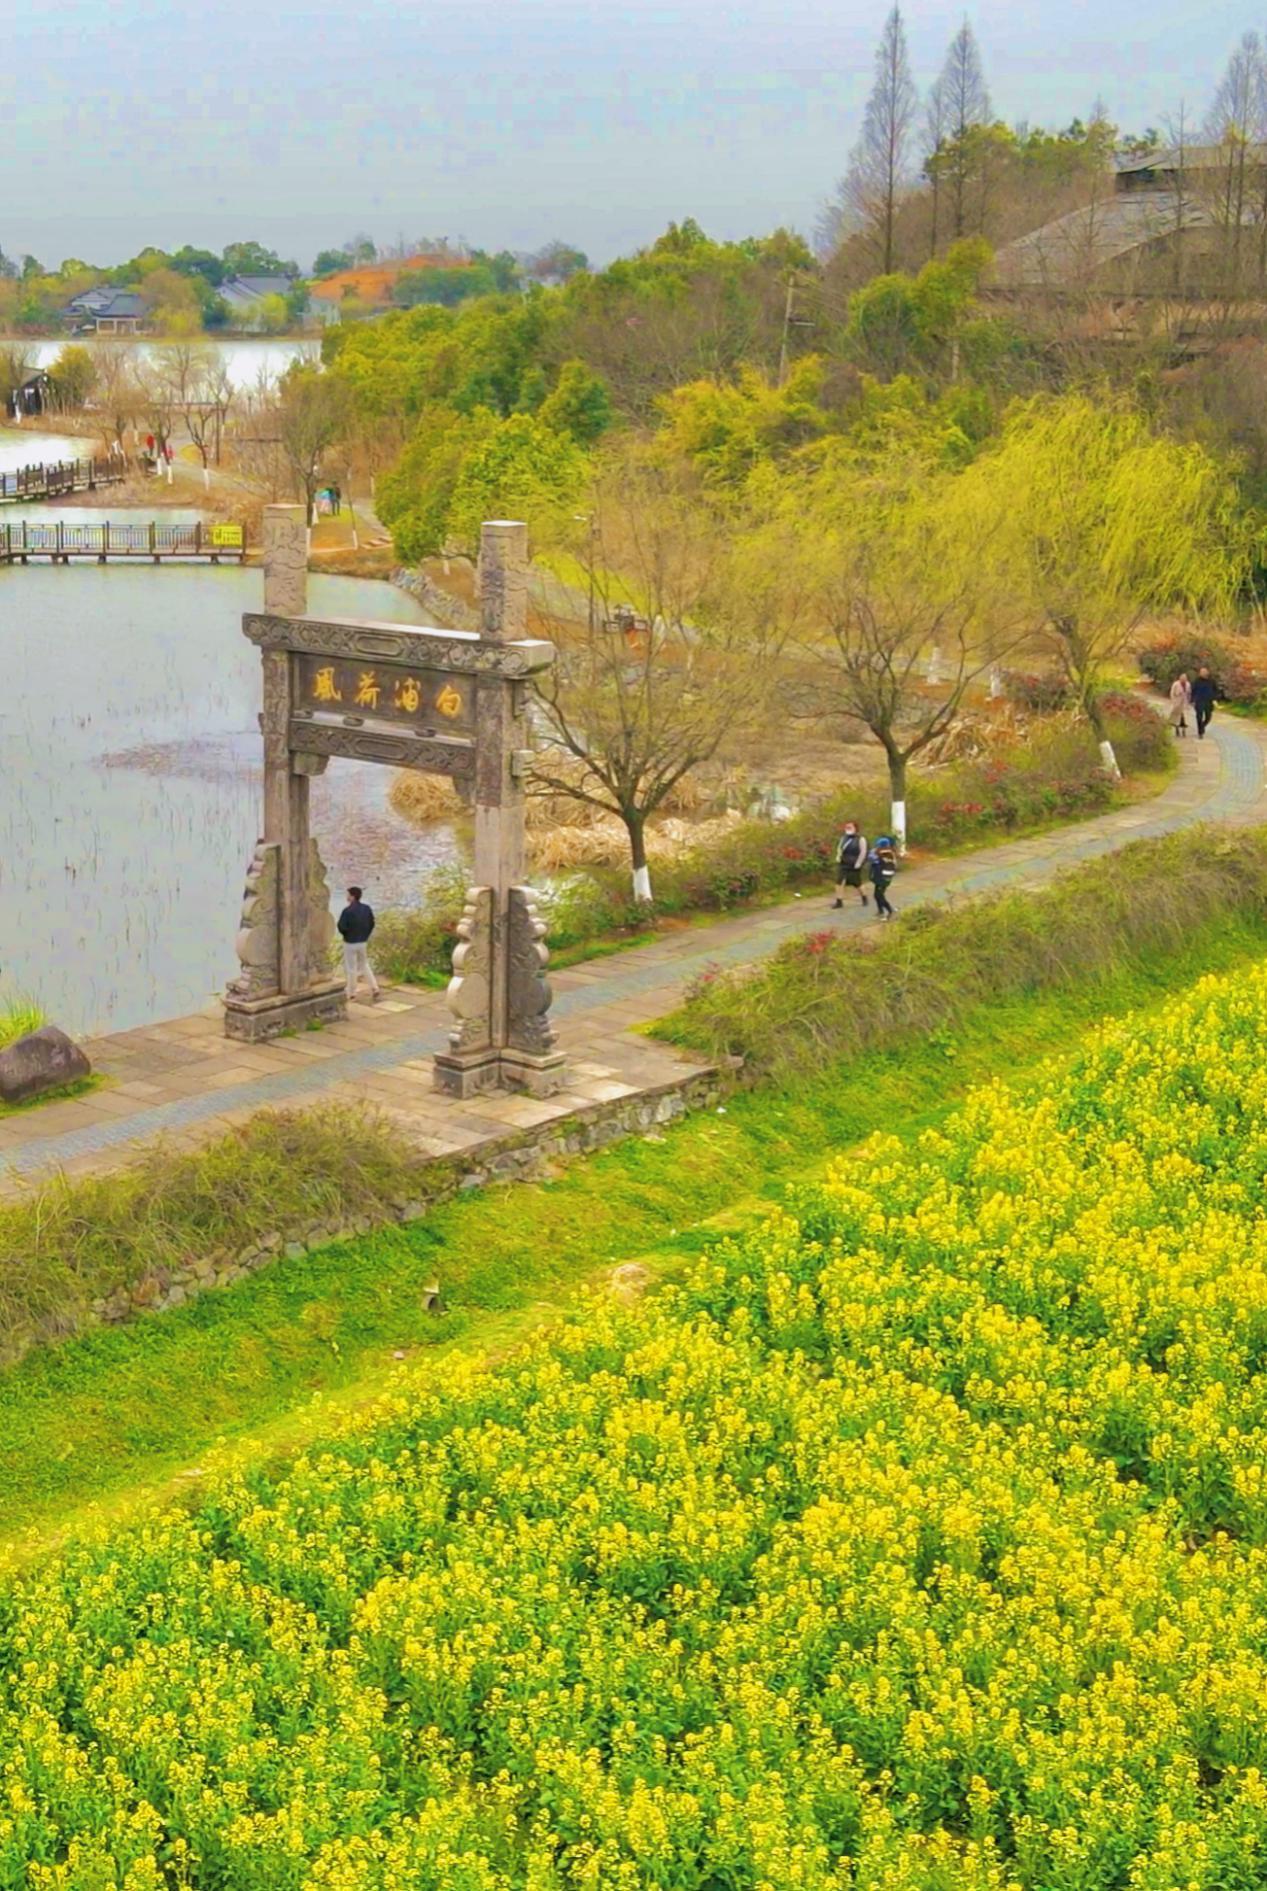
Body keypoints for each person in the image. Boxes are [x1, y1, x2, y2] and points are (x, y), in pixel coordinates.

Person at [338, 885, 379, 1002]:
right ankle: (374, 987)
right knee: (364, 964)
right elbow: (371, 923)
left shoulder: (347, 911)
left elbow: (341, 926)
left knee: (351, 968)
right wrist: (366, 934)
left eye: (348, 895)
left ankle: (352, 992)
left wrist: (346, 934)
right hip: (363, 941)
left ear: (352, 896)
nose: (347, 897)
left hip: (350, 942)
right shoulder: (366, 908)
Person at [832, 821, 868, 909]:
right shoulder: (843, 838)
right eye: (846, 827)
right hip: (843, 863)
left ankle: (864, 897)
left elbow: (863, 852)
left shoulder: (861, 839)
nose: (847, 828)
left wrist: (858, 863)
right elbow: (839, 848)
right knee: (839, 882)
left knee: (857, 883)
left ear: (855, 828)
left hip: (854, 864)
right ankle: (839, 901)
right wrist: (838, 857)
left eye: (850, 827)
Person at [869, 836, 898, 921]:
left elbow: (872, 858)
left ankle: (890, 911)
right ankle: (881, 911)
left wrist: (873, 853)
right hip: (884, 877)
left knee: (879, 895)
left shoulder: (884, 852)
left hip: (883, 877)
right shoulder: (890, 852)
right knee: (877, 895)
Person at [1191, 666, 1218, 740]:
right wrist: (1193, 700)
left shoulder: (1212, 681)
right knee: (1199, 717)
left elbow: (1215, 690)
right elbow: (1193, 691)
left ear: (1207, 672)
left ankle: (1202, 726)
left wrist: (1214, 699)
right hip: (1199, 701)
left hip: (1209, 701)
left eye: (1204, 672)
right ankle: (1200, 732)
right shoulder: (1197, 681)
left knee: (1208, 717)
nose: (1203, 673)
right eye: (1201, 672)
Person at [1168, 671, 1191, 738]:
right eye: (1182, 679)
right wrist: (1173, 701)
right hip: (1177, 702)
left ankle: (1183, 730)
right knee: (1177, 717)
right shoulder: (1176, 684)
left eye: (1185, 679)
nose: (1184, 680)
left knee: (1183, 717)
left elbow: (1189, 693)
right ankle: (1177, 728)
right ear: (1180, 678)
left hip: (1185, 703)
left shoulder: (1188, 684)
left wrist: (1189, 701)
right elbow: (1172, 693)